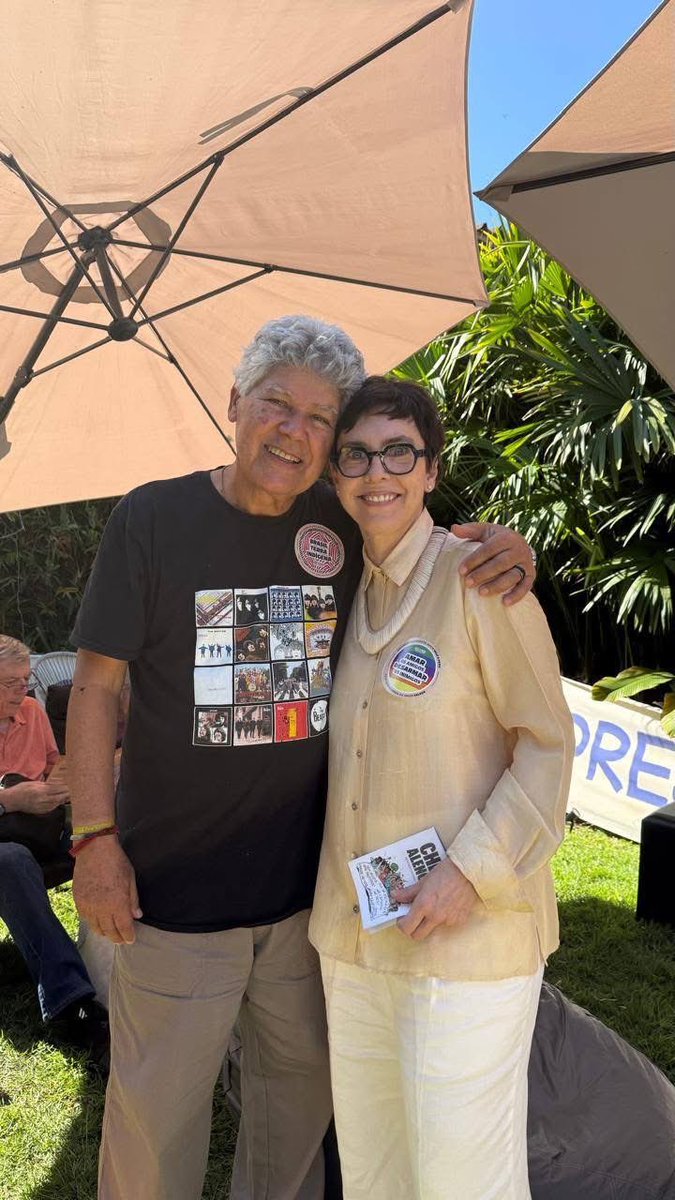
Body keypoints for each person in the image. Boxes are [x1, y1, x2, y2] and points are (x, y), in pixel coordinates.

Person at [67, 315, 537, 1200]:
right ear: (235, 402)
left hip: (312, 909)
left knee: (293, 1121)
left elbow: (429, 555)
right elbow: (93, 688)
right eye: (277, 403)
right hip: (173, 903)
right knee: (153, 1132)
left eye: (322, 419)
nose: (295, 430)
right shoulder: (153, 518)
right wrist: (93, 840)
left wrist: (513, 549)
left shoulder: (342, 521)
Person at [309, 376, 575, 1200]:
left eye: (399, 451)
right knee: (375, 1168)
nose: (375, 471)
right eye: (355, 453)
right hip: (355, 938)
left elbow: (547, 742)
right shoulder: (342, 585)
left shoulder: (482, 582)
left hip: (468, 937)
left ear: (430, 469)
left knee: (463, 1177)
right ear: (334, 473)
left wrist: (471, 871)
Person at [0, 635, 109, 1066]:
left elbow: (51, 764)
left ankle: (132, 971)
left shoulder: (31, 711)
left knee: (105, 840)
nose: (22, 692)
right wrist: (11, 800)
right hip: (9, 840)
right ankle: (73, 1003)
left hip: (41, 831)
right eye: (9, 683)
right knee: (10, 861)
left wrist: (60, 784)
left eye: (25, 682)